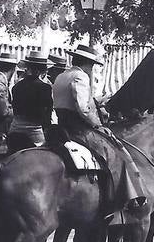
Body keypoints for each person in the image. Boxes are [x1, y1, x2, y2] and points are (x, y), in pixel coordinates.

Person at [53, 44, 146, 218]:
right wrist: (97, 125)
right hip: (78, 128)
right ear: (87, 63)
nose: (92, 69)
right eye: (92, 65)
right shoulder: (80, 76)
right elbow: (83, 108)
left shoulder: (61, 76)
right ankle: (113, 203)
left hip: (61, 126)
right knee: (116, 153)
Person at [8, 49, 53, 153]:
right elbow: (46, 114)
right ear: (43, 70)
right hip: (35, 130)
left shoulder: (17, 86)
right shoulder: (45, 87)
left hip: (15, 128)